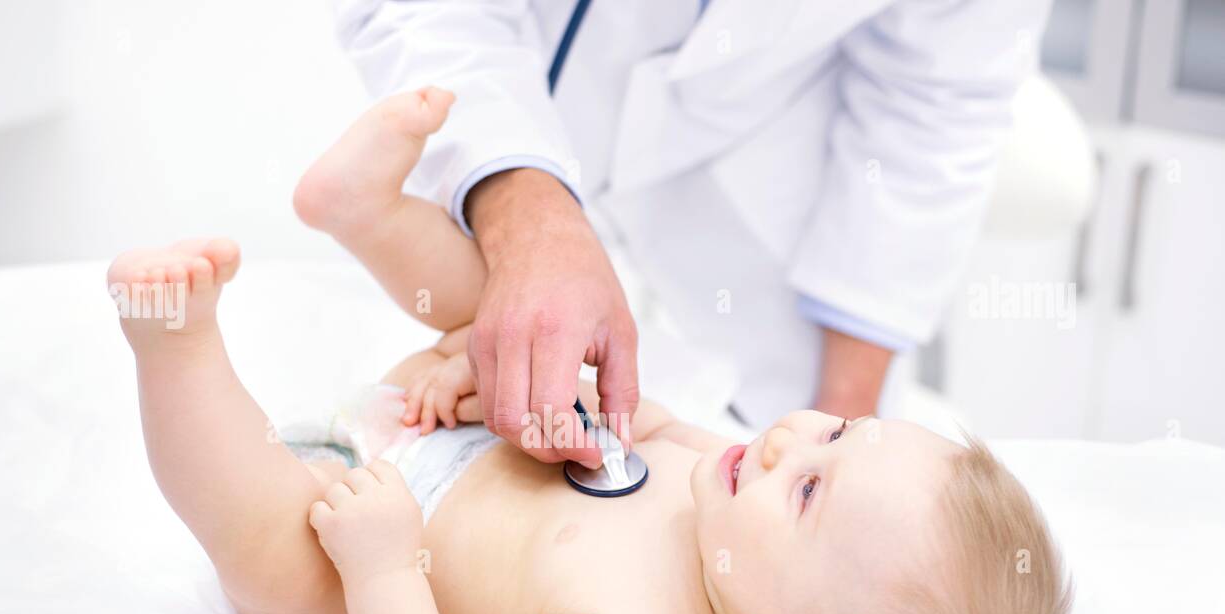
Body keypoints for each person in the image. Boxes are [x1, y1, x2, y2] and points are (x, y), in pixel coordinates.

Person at [106, 89, 1071, 614]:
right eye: (840, 428)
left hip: (356, 517)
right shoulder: (707, 466)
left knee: (278, 574)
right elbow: (611, 415)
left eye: (810, 490)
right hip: (447, 412)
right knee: (510, 311)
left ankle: (175, 345)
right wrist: (495, 383)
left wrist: (384, 570)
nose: (788, 440)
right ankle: (362, 212)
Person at [317, 0, 1052, 465]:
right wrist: (527, 213)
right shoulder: (702, 495)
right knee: (480, 309)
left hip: (758, 127)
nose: (787, 459)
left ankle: (367, 215)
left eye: (811, 491)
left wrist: (844, 418)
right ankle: (373, 214)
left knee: (480, 327)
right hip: (516, 85)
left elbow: (935, 101)